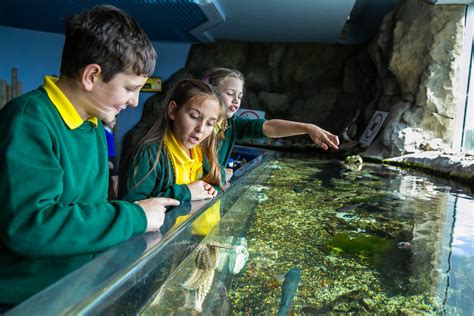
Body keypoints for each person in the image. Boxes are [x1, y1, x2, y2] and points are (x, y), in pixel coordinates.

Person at [0, 5, 179, 308]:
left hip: (74, 290)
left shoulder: (94, 124)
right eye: (130, 88)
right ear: (92, 75)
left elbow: (88, 210)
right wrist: (135, 216)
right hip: (27, 301)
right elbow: (31, 225)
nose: (134, 102)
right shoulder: (29, 121)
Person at [203, 67, 340, 180]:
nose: (236, 101)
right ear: (212, 91)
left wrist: (308, 128)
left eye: (239, 96)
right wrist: (222, 174)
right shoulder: (200, 126)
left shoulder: (230, 123)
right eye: (230, 93)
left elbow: (268, 127)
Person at [118, 79, 226, 203]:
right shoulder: (149, 154)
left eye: (210, 123)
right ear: (173, 110)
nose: (200, 129)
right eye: (194, 117)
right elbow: (133, 207)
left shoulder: (203, 152)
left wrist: (210, 189)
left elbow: (219, 179)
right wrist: (185, 192)